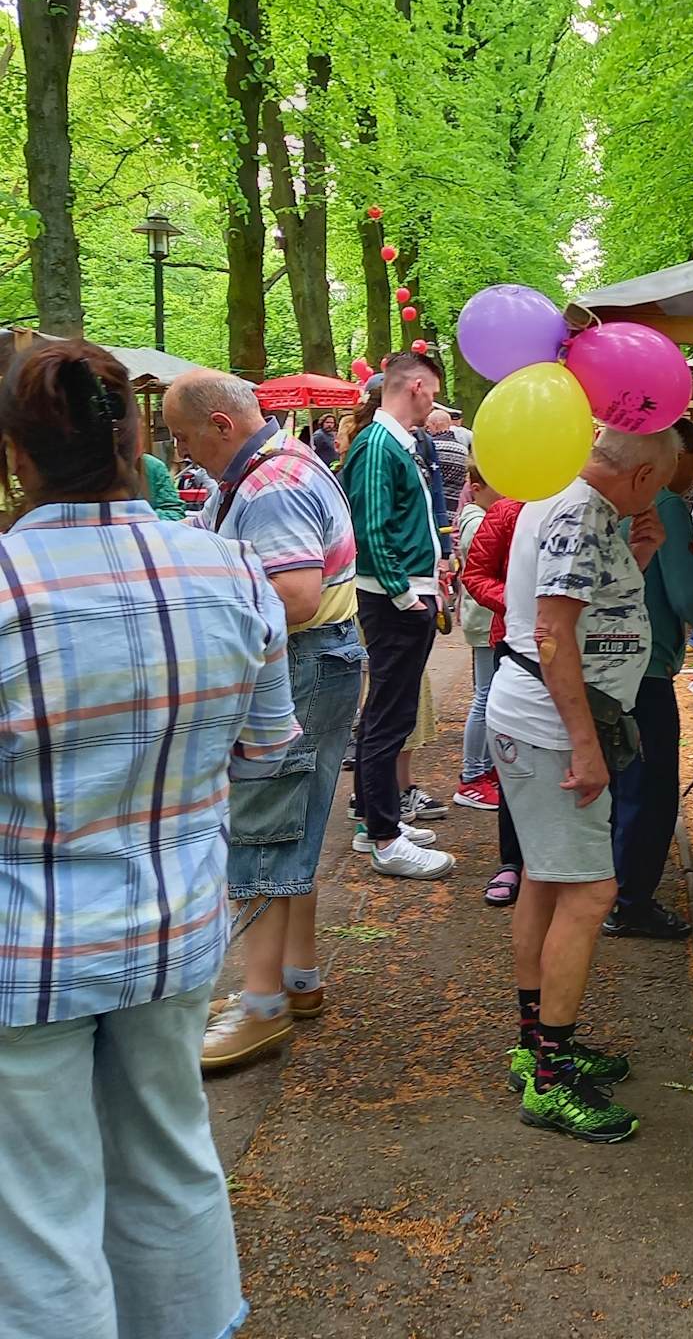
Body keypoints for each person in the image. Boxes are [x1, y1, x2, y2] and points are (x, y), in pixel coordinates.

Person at [0, 340, 298, 1339]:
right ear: (135, 440)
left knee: (39, 1215)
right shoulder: (230, 569)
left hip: (22, 953)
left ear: (16, 455)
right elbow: (267, 747)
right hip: (173, 930)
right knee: (171, 1159)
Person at [163, 369, 364, 1071]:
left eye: (184, 437)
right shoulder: (266, 470)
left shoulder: (269, 484)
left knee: (266, 827)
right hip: (319, 660)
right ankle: (296, 979)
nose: (182, 453)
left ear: (221, 426)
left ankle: (260, 1007)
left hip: (302, 660)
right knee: (293, 821)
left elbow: (296, 597)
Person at [488, 426, 677, 1142]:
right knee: (593, 892)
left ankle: (537, 1045)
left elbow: (582, 611)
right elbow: (552, 634)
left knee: (547, 878)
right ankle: (551, 1079)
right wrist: (586, 745)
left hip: (540, 720)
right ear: (643, 474)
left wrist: (638, 557)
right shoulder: (579, 510)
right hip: (550, 727)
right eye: (662, 482)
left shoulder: (570, 498)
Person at [606, 418, 693, 940]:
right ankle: (631, 902)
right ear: (672, 455)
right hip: (646, 668)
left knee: (623, 783)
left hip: (613, 665)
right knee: (652, 787)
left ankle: (613, 887)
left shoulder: (620, 500)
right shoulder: (665, 506)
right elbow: (685, 592)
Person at [341, 350, 456, 879]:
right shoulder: (378, 444)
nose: (434, 403)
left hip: (404, 594)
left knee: (388, 713)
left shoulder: (393, 443)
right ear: (414, 387)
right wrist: (403, 593)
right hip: (394, 600)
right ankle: (384, 836)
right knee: (389, 716)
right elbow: (370, 526)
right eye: (432, 392)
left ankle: (376, 821)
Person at [462, 489, 527, 907]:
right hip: (515, 643)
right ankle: (512, 860)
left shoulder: (589, 505)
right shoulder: (507, 511)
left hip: (579, 647)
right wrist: (515, 603)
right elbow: (476, 574)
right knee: (514, 754)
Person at [455, 460, 502, 812]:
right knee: (485, 697)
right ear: (477, 488)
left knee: (490, 695)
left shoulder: (482, 516)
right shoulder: (476, 521)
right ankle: (471, 776)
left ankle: (485, 767)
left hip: (487, 618)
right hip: (484, 620)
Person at [428, 405, 469, 515]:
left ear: (435, 425)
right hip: (455, 510)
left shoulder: (431, 447)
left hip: (435, 510)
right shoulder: (463, 450)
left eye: (429, 427)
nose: (428, 430)